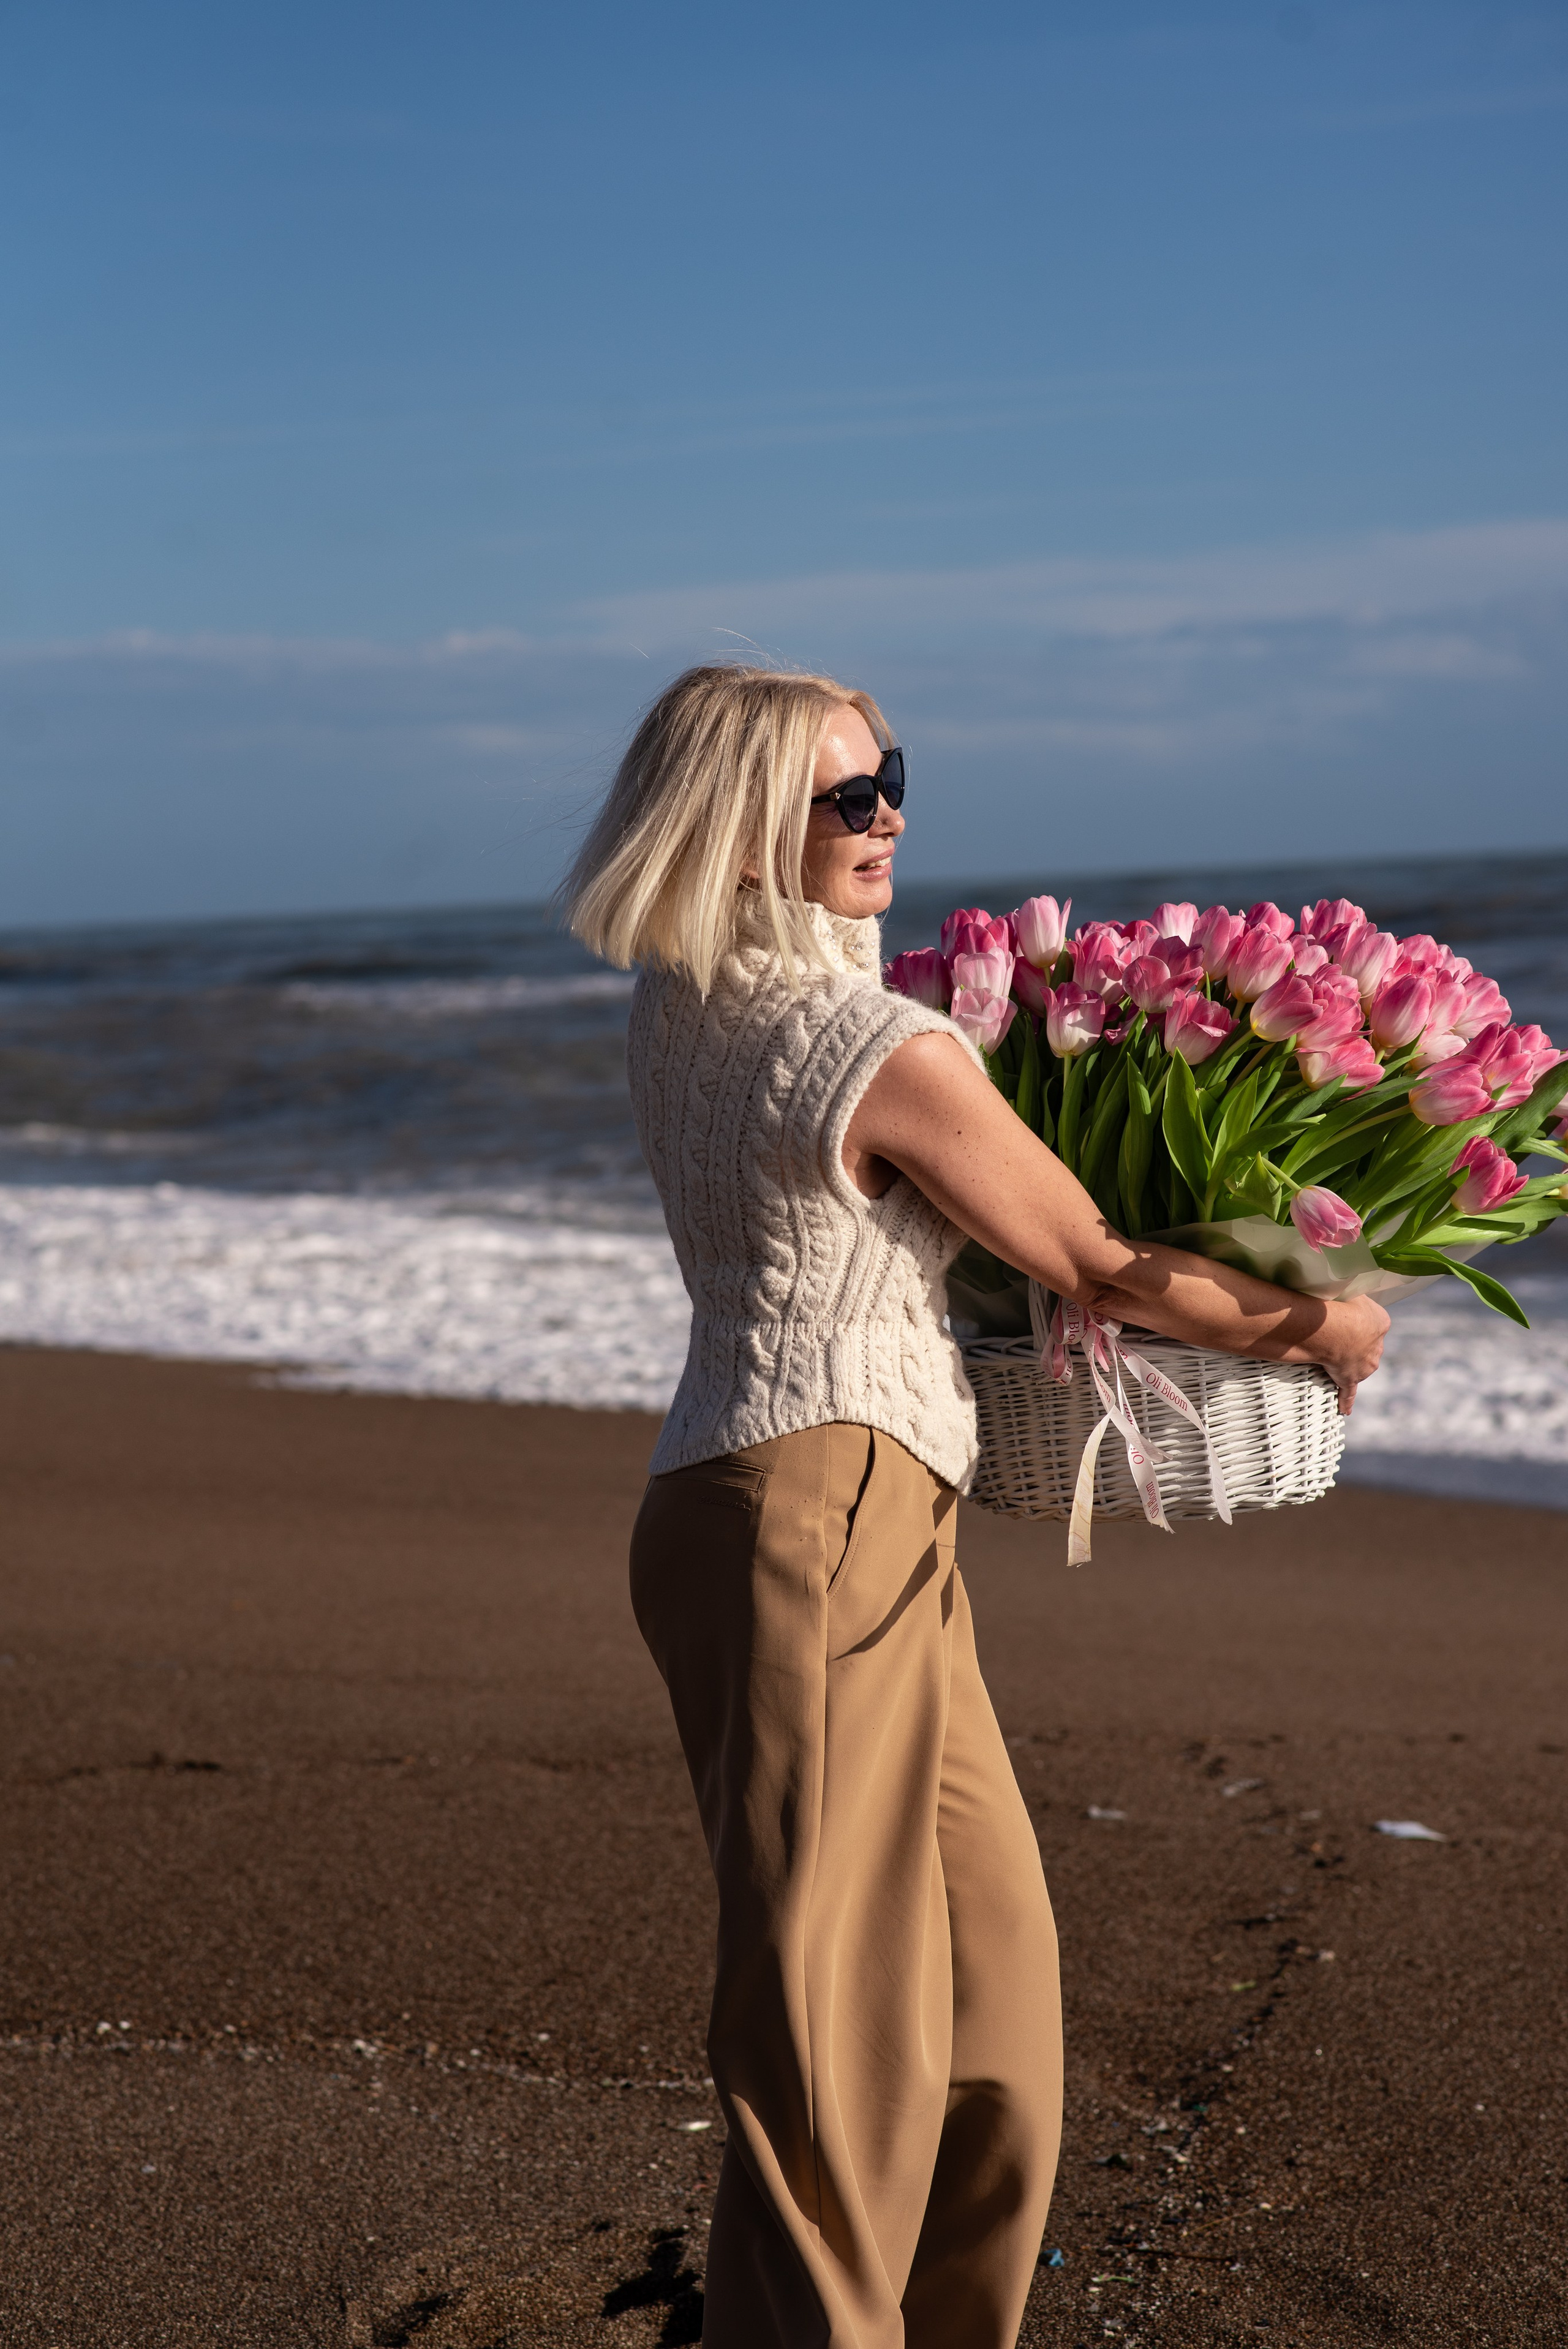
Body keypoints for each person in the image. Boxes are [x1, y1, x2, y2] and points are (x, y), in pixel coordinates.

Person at [564, 665, 1387, 2349]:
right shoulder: (878, 1045)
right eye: (843, 798)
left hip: (801, 1504)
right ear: (742, 823)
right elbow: (1095, 1260)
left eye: (892, 778)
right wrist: (1325, 1322)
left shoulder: (683, 1002)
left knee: (990, 1979)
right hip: (812, 1512)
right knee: (832, 2029)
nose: (888, 818)